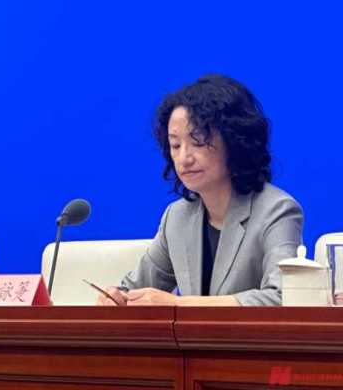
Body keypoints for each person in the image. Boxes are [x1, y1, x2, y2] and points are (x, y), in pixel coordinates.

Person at [99, 75, 303, 307]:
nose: (184, 158)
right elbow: (134, 289)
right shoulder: (177, 217)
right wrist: (117, 298)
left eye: (198, 142)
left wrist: (179, 305)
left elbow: (284, 297)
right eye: (175, 145)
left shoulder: (276, 211)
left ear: (234, 142)